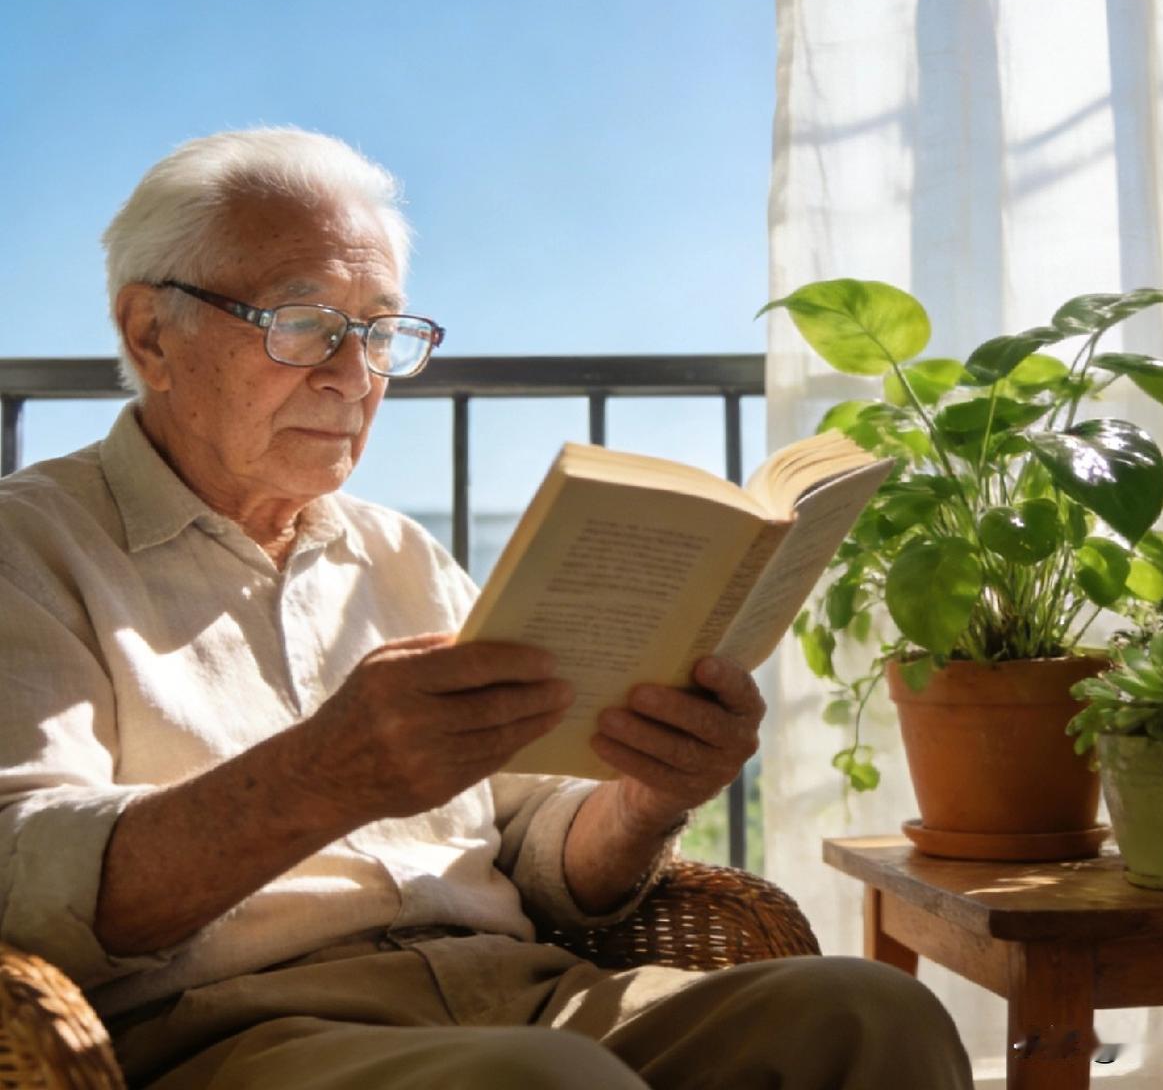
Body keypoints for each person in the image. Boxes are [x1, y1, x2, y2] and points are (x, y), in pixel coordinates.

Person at [0, 128, 973, 1090]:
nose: (353, 376)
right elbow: (25, 882)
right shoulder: (31, 548)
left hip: (523, 991)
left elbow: (538, 849)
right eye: (301, 323)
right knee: (539, 1078)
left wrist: (645, 794)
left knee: (865, 1010)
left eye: (379, 330)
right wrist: (320, 776)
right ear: (149, 332)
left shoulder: (401, 553)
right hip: (242, 1028)